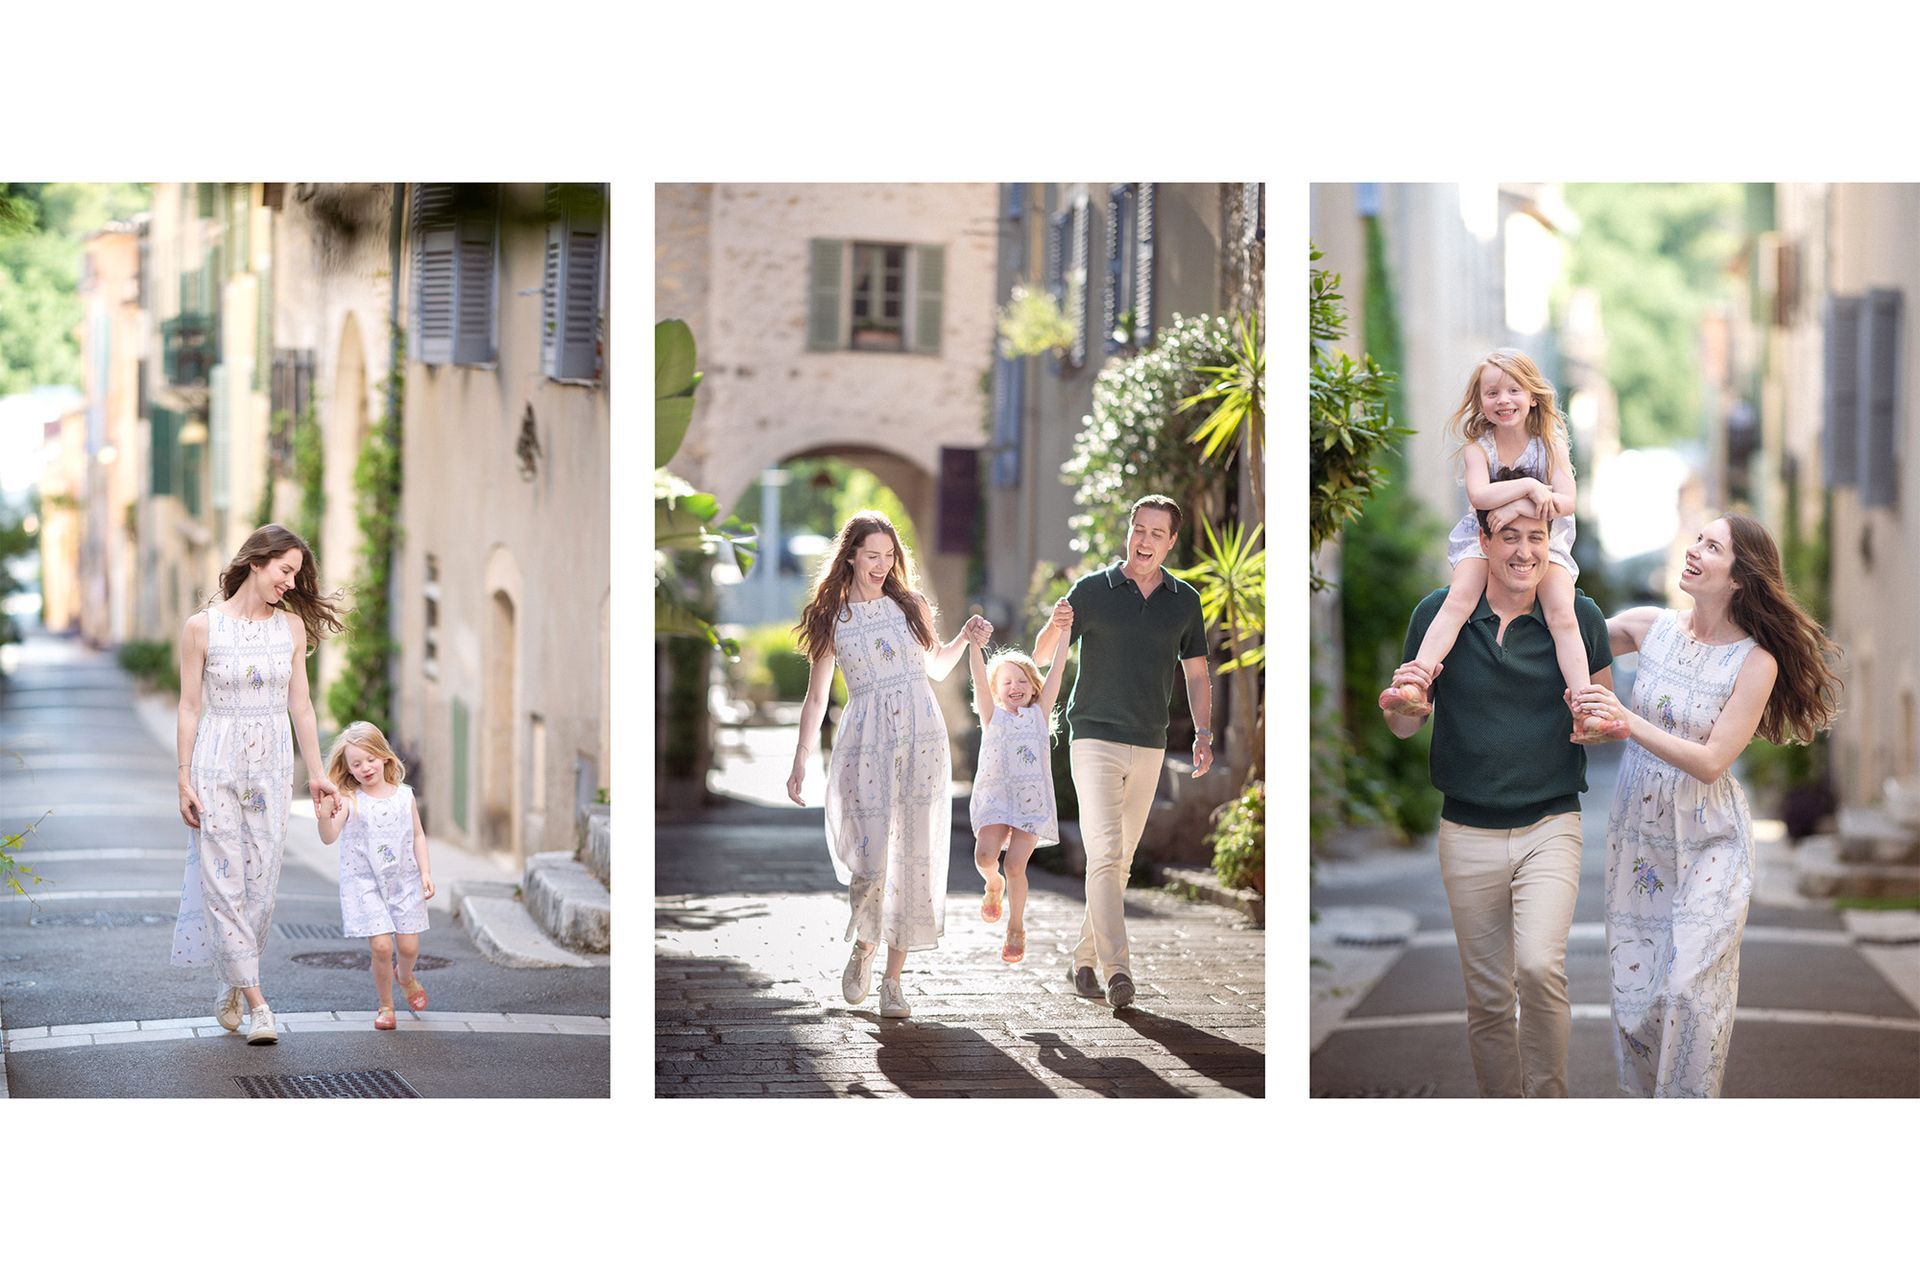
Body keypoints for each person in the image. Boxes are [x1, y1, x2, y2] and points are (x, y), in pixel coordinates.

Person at [1572, 514, 1841, 1097]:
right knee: (1638, 1002)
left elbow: (1713, 759)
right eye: (1697, 539)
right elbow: (1570, 635)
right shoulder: (1651, 626)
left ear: (1740, 577)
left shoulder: (1756, 662)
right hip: (1640, 835)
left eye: (1712, 546)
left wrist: (1626, 721)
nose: (1694, 550)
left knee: (1692, 989)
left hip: (1712, 837)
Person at [1383, 502, 1619, 1097]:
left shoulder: (1579, 617)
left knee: (1540, 969)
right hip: (1465, 831)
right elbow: (1407, 726)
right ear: (1481, 542)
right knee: (1488, 998)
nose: (1523, 551)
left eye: (1536, 537)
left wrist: (1595, 723)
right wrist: (1400, 712)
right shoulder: (1438, 615)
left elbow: (1606, 714)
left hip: (1550, 824)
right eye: (1508, 536)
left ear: (1551, 542)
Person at [786, 511, 984, 1020]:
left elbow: (936, 665)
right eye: (872, 555)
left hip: (922, 735)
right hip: (864, 742)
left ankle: (893, 982)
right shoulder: (833, 618)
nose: (881, 564)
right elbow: (815, 699)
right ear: (850, 555)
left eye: (889, 555)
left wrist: (963, 638)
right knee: (871, 859)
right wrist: (800, 762)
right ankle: (865, 942)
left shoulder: (911, 605)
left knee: (914, 856)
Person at [1380, 350, 1624, 742]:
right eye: (1491, 393)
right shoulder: (1478, 447)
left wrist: (1514, 505)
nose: (1503, 400)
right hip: (1487, 538)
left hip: (1547, 538)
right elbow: (1479, 495)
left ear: (1532, 396)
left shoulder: (1550, 442)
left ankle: (1583, 708)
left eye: (1514, 390)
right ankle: (1417, 682)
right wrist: (1529, 488)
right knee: (1459, 598)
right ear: (1479, 401)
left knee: (1562, 612)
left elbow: (1566, 502)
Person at [1032, 494, 1212, 1010]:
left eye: (1157, 533)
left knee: (1119, 858)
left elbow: (1196, 672)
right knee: (1106, 851)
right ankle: (1118, 971)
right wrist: (1056, 621)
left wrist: (1203, 732)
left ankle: (1084, 958)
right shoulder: (1092, 590)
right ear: (1128, 531)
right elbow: (1044, 654)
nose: (1145, 540)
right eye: (1139, 529)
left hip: (1150, 742)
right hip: (1092, 737)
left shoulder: (1184, 601)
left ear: (1172, 541)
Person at [171, 524, 344, 1046]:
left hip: (271, 770)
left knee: (260, 891)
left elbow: (303, 707)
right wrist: (183, 778)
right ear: (256, 562)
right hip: (215, 766)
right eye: (285, 571)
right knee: (223, 886)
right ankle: (260, 1005)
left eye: (296, 574)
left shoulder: (290, 629)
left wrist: (315, 774)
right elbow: (188, 706)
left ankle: (233, 977)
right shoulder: (201, 628)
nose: (290, 583)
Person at [317, 721, 434, 1031]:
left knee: (408, 948)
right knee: (381, 946)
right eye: (356, 763)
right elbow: (329, 836)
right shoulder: (349, 800)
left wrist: (425, 873)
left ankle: (405, 976)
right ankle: (386, 1005)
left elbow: (418, 836)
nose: (365, 767)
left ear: (384, 756)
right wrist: (324, 816)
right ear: (348, 768)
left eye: (370, 759)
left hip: (404, 880)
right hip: (365, 884)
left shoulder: (404, 796)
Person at [966, 623, 1070, 965]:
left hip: (1031, 805)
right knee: (985, 858)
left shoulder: (1038, 717)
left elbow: (1056, 668)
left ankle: (1015, 927)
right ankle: (991, 883)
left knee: (1015, 866)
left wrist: (1066, 630)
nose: (1016, 687)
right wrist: (973, 644)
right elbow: (979, 679)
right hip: (996, 800)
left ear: (1034, 687)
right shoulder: (991, 716)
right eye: (1007, 682)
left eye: (1023, 680)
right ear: (997, 690)